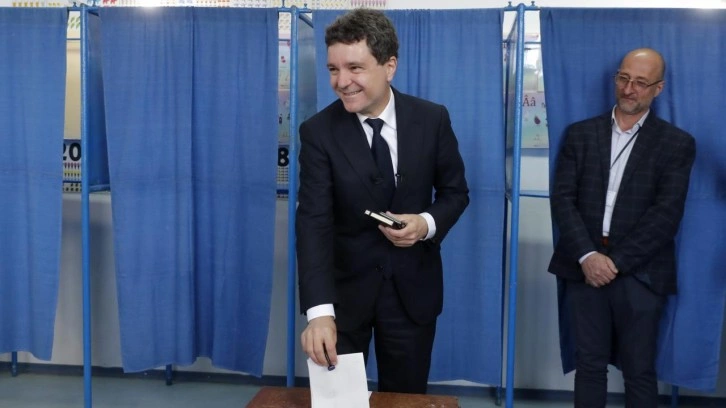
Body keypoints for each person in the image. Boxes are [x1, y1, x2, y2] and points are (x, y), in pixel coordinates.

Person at [295, 8, 469, 394]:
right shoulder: (317, 133)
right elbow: (313, 223)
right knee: (340, 402)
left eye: (354, 68)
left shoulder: (432, 120)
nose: (341, 82)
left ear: (389, 66)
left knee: (406, 399)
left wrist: (425, 224)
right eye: (333, 69)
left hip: (412, 295)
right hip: (341, 300)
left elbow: (456, 193)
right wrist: (319, 312)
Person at [549, 48, 696, 408]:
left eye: (641, 83)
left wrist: (613, 263)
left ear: (658, 88)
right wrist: (588, 256)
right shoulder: (580, 134)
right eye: (624, 78)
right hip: (583, 266)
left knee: (639, 370)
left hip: (641, 273)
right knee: (589, 366)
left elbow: (666, 215)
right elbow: (563, 199)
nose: (629, 89)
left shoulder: (676, 144)